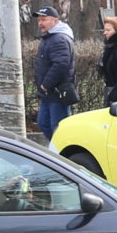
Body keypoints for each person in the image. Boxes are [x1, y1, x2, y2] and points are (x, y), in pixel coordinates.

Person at [32, 8, 77, 138]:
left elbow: (61, 64)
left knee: (57, 127)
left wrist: (46, 84)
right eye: (39, 20)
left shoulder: (59, 39)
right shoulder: (51, 38)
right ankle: (55, 152)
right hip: (49, 93)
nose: (40, 23)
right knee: (44, 124)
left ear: (55, 21)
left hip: (57, 92)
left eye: (44, 19)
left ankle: (60, 155)